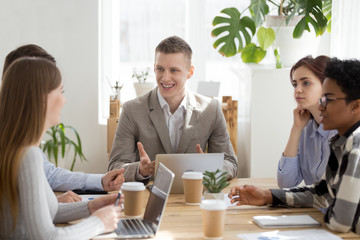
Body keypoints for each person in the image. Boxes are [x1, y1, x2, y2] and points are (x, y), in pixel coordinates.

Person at [229, 58, 360, 235]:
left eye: (327, 99)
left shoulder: (355, 145)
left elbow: (339, 220)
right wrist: (268, 196)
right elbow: (320, 194)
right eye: (294, 84)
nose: (321, 107)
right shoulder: (338, 141)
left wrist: (327, 205)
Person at [0, 57, 122, 239]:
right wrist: (99, 223)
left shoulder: (17, 150)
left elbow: (44, 215)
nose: (64, 100)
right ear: (41, 99)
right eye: (61, 92)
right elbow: (47, 237)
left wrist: (90, 207)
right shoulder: (27, 156)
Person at [108, 36, 238, 183]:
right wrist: (140, 169)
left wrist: (208, 168)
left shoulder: (211, 110)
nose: (165, 78)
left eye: (174, 70)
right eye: (160, 69)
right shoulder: (132, 110)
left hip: (192, 196)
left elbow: (230, 163)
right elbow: (115, 166)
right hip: (149, 198)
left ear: (190, 72)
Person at [278, 56, 337, 188]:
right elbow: (286, 183)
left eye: (306, 83)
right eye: (295, 84)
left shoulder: (344, 130)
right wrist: (296, 129)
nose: (297, 90)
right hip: (314, 206)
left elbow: (333, 189)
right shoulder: (305, 127)